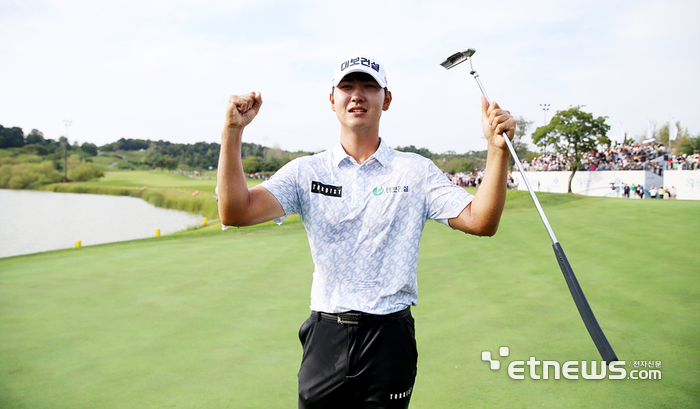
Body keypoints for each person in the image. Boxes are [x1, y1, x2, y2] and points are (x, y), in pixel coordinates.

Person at [217, 55, 516, 409]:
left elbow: (481, 221)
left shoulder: (414, 171)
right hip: (326, 335)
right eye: (347, 86)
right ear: (333, 99)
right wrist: (233, 132)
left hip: (389, 337)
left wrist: (497, 152)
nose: (357, 95)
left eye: (369, 86)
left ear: (386, 99)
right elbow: (236, 212)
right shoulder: (306, 171)